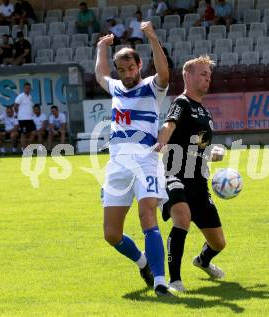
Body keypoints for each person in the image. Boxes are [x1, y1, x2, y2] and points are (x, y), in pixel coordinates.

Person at [95, 20, 173, 297]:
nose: (127, 73)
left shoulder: (153, 87)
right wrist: (102, 49)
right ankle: (143, 264)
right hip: (117, 165)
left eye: (131, 68)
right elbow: (100, 76)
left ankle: (161, 280)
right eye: (123, 69)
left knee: (147, 215)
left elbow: (164, 72)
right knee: (111, 234)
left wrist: (152, 36)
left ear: (140, 66)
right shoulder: (116, 87)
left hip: (146, 160)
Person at [156, 55, 227, 292]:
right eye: (202, 74)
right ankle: (174, 281)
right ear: (187, 75)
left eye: (209, 75)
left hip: (198, 181)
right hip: (174, 173)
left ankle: (202, 261)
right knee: (182, 219)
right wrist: (161, 142)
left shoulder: (205, 113)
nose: (207, 78)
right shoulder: (181, 103)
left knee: (218, 243)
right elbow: (169, 125)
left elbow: (199, 148)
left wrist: (212, 153)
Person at [14, 82, 35, 150]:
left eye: (29, 88)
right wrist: (19, 114)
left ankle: (26, 147)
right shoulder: (20, 96)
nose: (28, 89)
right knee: (23, 134)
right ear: (24, 88)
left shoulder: (30, 96)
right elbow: (15, 106)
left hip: (30, 119)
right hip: (23, 119)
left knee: (34, 133)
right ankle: (24, 149)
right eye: (26, 88)